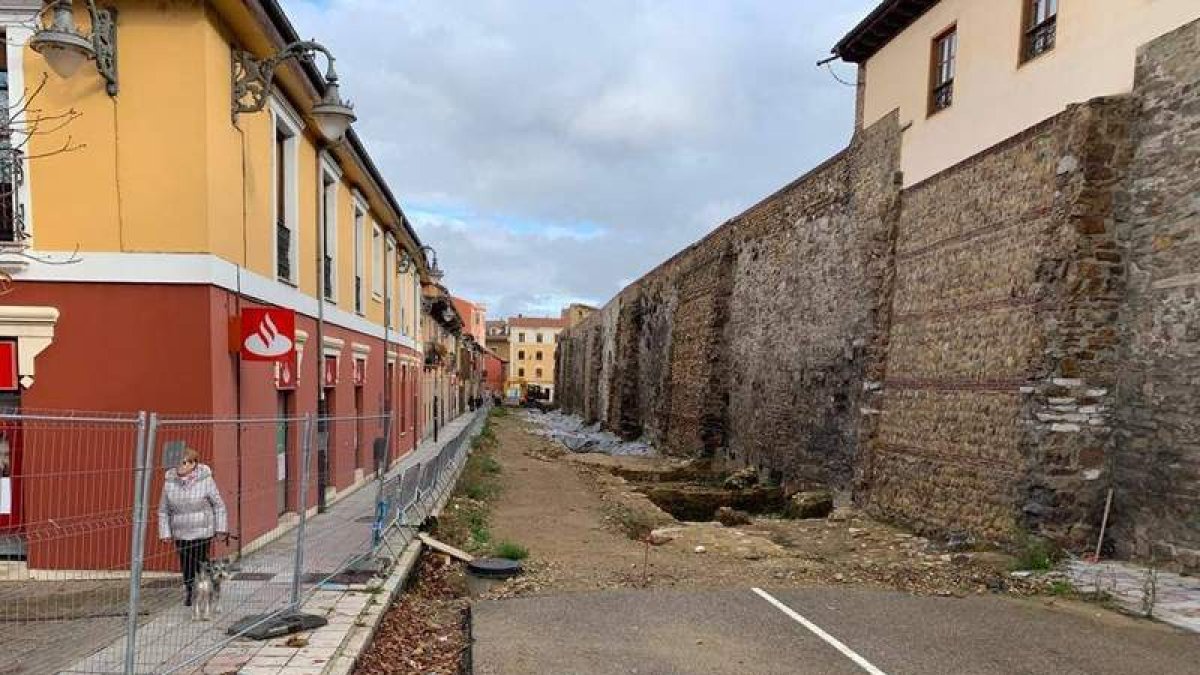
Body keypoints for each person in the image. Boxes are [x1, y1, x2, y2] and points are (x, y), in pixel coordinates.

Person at [157, 447, 228, 606]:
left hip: (202, 529)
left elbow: (218, 505)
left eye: (184, 463)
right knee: (186, 563)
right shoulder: (169, 483)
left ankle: (206, 588)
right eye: (178, 463)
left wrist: (220, 528)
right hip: (180, 530)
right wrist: (165, 532)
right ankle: (190, 590)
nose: (180, 466)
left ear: (193, 464)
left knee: (201, 561)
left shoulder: (205, 480)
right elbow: (163, 510)